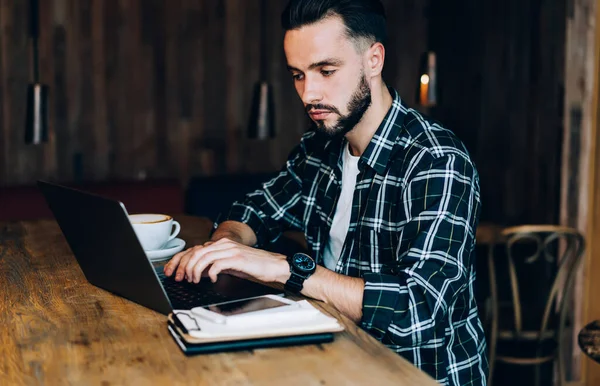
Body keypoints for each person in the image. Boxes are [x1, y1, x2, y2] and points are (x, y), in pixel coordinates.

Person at [165, 0, 488, 384]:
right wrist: (228, 247)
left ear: (374, 59)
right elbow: (253, 210)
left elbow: (418, 312)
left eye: (326, 70)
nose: (309, 94)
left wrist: (284, 269)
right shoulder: (317, 150)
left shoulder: (437, 160)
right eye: (298, 75)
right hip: (334, 365)